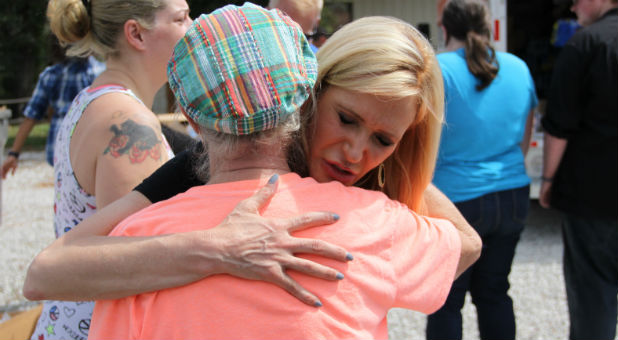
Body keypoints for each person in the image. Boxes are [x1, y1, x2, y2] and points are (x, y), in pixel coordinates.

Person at [23, 0, 482, 320]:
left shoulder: (375, 185)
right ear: (310, 90)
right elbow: (47, 272)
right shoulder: (205, 162)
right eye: (346, 119)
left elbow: (467, 245)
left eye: (384, 139)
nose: (356, 152)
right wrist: (220, 249)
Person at [28, 0, 192, 338]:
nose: (194, 26)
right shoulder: (129, 122)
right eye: (181, 18)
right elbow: (137, 267)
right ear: (136, 34)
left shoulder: (96, 98)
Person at [426, 0, 537, 339]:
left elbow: (421, 140)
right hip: (512, 196)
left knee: (446, 300)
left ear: (444, 28)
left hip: (456, 200)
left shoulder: (437, 69)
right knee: (494, 293)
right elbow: (525, 135)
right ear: (487, 26)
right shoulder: (518, 67)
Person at [540, 0, 618, 338]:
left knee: (593, 298)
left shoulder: (585, 44)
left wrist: (547, 180)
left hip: (593, 196)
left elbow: (559, 125)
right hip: (594, 196)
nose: (572, 6)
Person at [1, 41, 104, 177]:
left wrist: (14, 153)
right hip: (91, 145)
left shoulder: (51, 75)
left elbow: (31, 115)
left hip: (59, 147)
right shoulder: (101, 73)